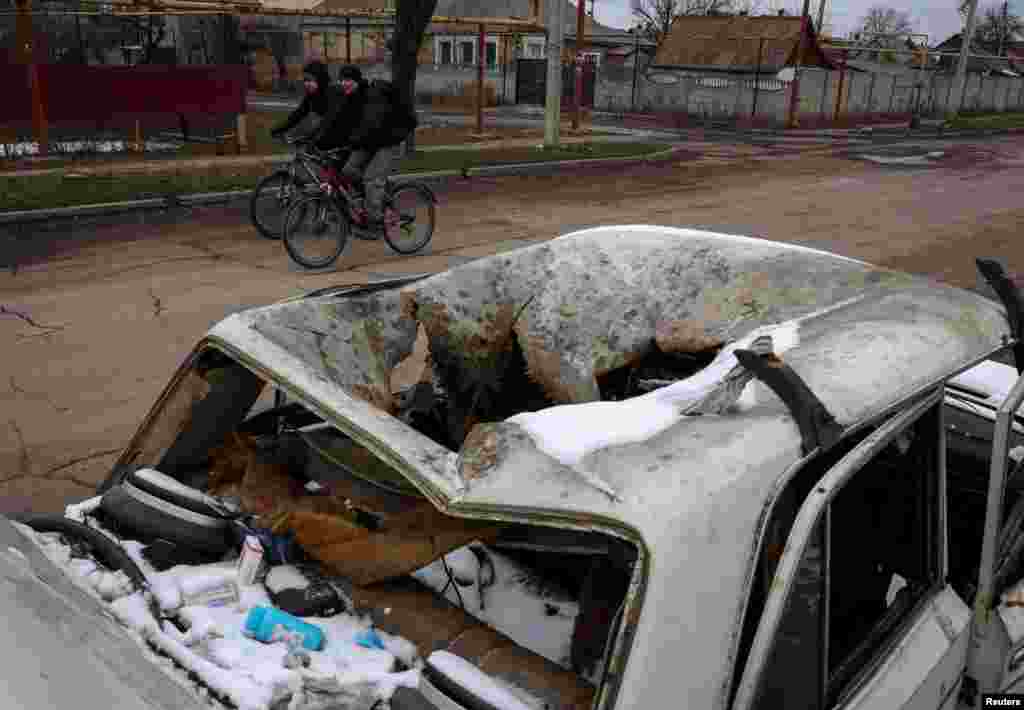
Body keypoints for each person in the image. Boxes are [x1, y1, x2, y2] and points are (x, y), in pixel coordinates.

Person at [334, 65, 418, 228]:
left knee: (371, 178)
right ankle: (375, 197)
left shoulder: (372, 95)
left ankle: (375, 221)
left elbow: (372, 124)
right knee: (348, 170)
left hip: (388, 141)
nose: (344, 83)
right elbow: (343, 124)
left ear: (357, 81)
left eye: (348, 80)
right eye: (342, 80)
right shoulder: (352, 97)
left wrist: (352, 141)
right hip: (371, 141)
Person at [270, 60, 356, 169]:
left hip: (350, 132)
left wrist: (312, 137)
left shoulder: (333, 93)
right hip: (335, 132)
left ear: (320, 79)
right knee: (325, 164)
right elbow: (298, 114)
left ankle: (353, 184)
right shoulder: (312, 95)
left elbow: (329, 120)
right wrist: (279, 129)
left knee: (341, 170)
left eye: (310, 80)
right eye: (305, 80)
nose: (306, 83)